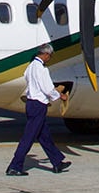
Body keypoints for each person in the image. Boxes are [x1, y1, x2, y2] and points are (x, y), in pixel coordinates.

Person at [6, 43, 70, 176]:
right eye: (50, 56)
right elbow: (47, 88)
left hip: (31, 103)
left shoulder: (30, 67)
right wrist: (60, 96)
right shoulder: (42, 69)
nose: (49, 58)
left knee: (44, 136)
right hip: (38, 105)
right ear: (46, 54)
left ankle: (57, 162)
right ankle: (15, 166)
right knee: (28, 138)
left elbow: (27, 78)